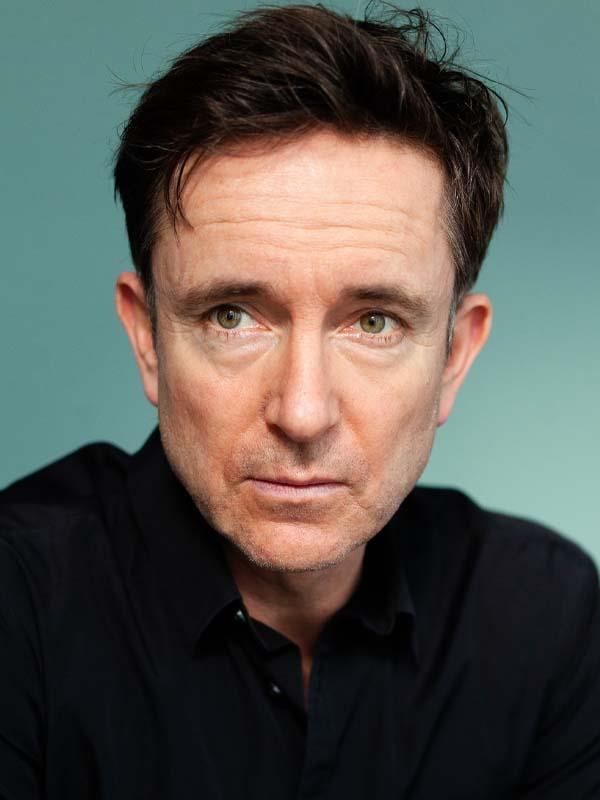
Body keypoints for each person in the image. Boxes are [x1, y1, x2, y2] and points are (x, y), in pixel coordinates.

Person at [1, 3, 599, 798]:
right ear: (147, 338)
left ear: (455, 356)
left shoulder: (543, 615)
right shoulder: (20, 606)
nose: (303, 412)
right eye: (232, 316)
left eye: (375, 322)